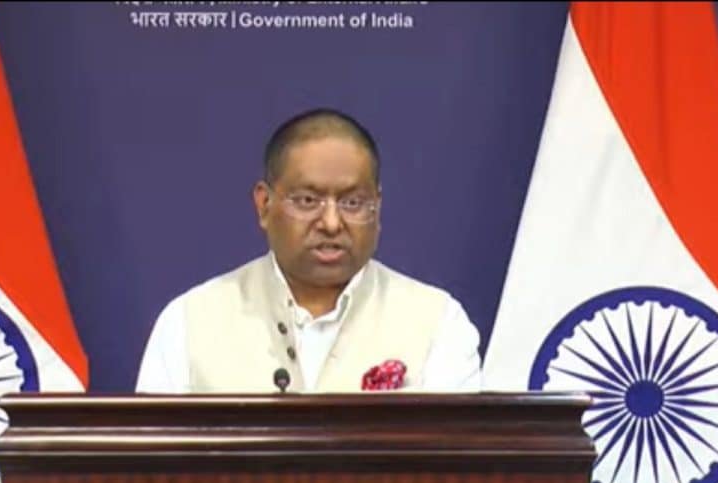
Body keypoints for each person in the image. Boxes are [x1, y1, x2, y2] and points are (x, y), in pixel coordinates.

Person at [135, 108, 482, 393]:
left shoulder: (438, 324)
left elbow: (453, 456)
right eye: (307, 200)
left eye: (352, 202)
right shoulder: (189, 322)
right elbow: (153, 456)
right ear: (264, 205)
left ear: (377, 207)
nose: (331, 223)